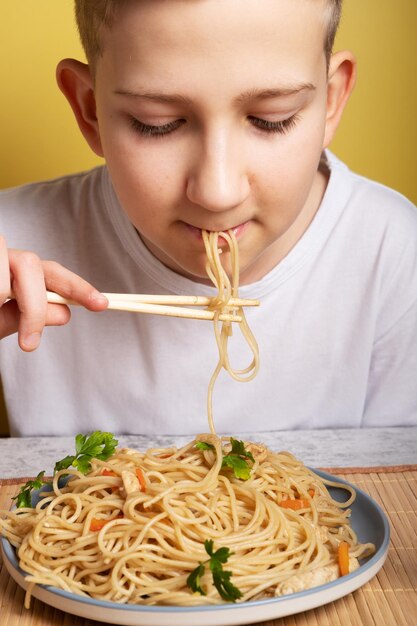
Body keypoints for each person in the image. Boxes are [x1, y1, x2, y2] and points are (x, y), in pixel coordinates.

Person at [0, 0, 416, 436]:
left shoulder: (392, 252)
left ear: (331, 100)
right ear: (90, 110)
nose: (218, 193)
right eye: (157, 123)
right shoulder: (16, 246)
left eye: (271, 120)